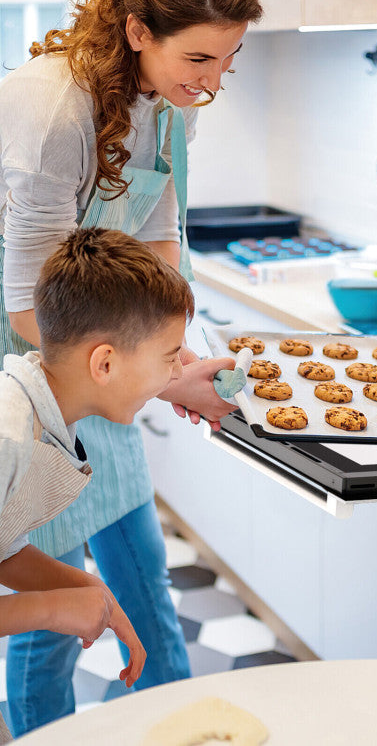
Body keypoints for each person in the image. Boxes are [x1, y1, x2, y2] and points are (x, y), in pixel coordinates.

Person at [0, 0, 262, 736]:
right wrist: (168, 376)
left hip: (108, 368)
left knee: (143, 586)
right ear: (139, 32)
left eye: (228, 60)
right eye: (199, 59)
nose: (212, 82)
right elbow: (32, 309)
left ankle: (161, 724)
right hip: (38, 370)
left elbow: (155, 244)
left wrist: (177, 358)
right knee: (48, 629)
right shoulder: (53, 111)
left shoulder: (171, 102)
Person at [0, 226, 197, 743]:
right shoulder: (8, 438)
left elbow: (3, 549)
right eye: (170, 356)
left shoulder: (42, 416)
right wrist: (52, 607)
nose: (177, 371)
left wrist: (87, 588)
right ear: (105, 363)